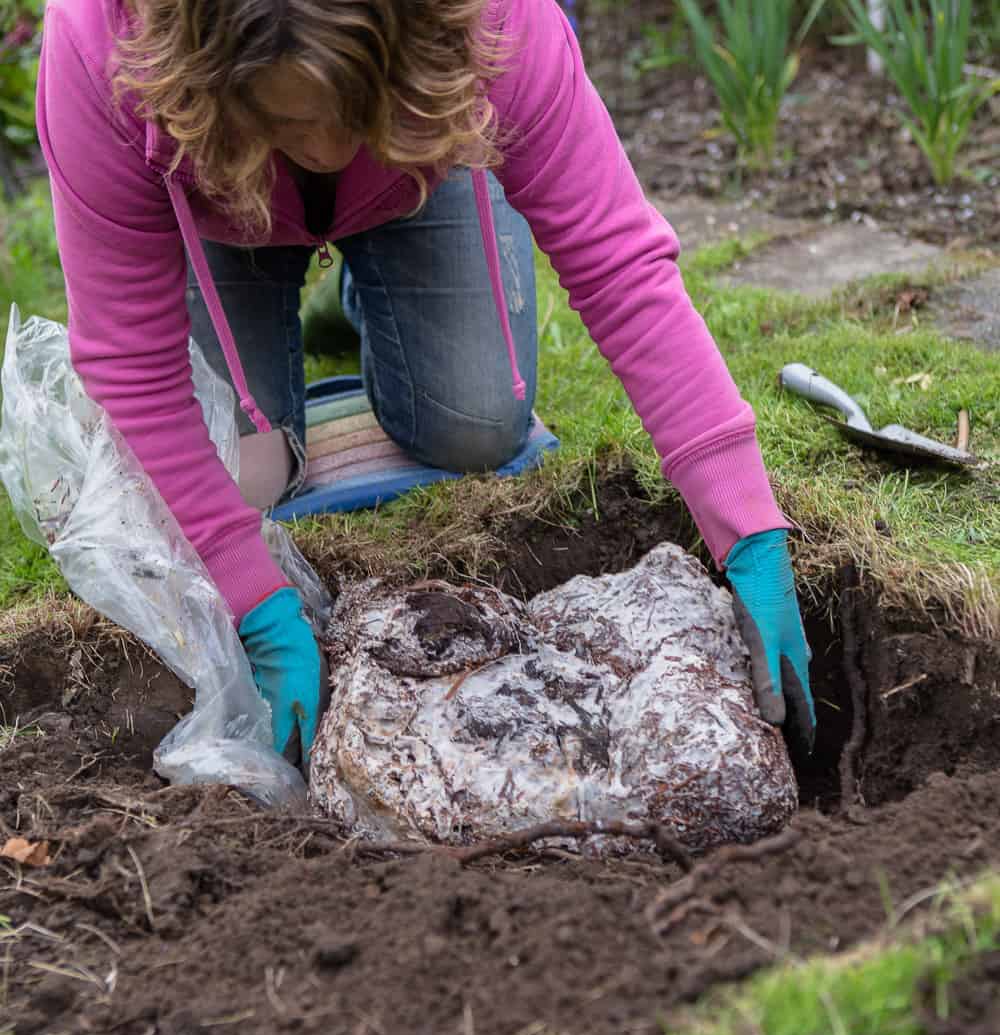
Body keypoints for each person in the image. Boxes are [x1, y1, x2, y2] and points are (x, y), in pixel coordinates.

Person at [37, 0, 815, 770]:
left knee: (475, 424)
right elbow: (132, 359)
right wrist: (257, 599)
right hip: (221, 198)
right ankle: (285, 246)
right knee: (248, 479)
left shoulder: (494, 21)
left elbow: (618, 265)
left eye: (348, 114)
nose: (330, 148)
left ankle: (378, 278)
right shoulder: (104, 52)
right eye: (298, 122)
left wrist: (745, 524)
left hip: (416, 157)